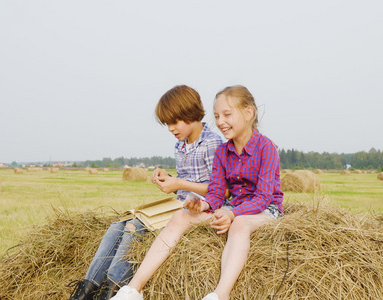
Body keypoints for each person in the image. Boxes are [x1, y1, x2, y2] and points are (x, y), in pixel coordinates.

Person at [111, 85, 284, 300]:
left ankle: (221, 294)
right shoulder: (222, 152)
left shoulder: (266, 148)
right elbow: (217, 192)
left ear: (249, 112)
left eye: (227, 115)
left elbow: (264, 197)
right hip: (232, 207)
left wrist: (232, 214)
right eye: (217, 116)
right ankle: (133, 289)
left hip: (265, 210)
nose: (220, 121)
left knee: (240, 224)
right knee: (180, 216)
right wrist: (204, 205)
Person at [68, 85, 222, 300]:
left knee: (134, 227)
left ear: (191, 115)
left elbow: (218, 187)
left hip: (198, 209)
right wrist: (167, 177)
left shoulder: (212, 143)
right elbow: (188, 180)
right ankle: (86, 289)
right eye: (167, 123)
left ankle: (115, 289)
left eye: (174, 122)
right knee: (118, 224)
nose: (170, 128)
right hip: (178, 204)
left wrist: (178, 183)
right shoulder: (181, 145)